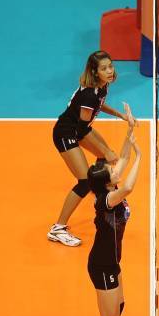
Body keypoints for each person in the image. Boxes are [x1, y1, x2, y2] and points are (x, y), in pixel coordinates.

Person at [48, 50, 137, 247]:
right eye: (104, 68)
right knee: (84, 181)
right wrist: (105, 151)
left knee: (105, 159)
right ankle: (58, 228)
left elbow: (100, 105)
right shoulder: (88, 95)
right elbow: (80, 130)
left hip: (80, 129)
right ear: (95, 72)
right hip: (66, 134)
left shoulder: (102, 87)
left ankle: (102, 198)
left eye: (111, 66)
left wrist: (120, 115)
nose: (110, 71)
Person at [87, 121, 141, 316]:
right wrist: (143, 158)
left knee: (119, 307)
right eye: (111, 171)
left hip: (113, 261)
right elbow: (129, 185)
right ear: (108, 182)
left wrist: (130, 132)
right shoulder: (107, 200)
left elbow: (123, 158)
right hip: (101, 264)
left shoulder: (110, 187)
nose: (115, 169)